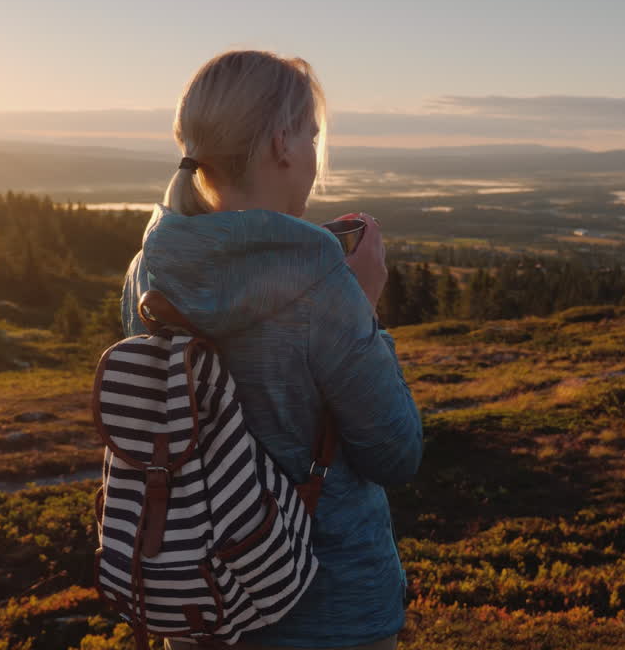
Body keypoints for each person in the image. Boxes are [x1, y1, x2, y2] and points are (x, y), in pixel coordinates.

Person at [119, 50, 422, 650]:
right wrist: (362, 304)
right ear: (282, 142)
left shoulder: (148, 271)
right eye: (311, 136)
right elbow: (396, 453)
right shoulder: (323, 286)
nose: (313, 155)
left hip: (200, 604)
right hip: (331, 615)